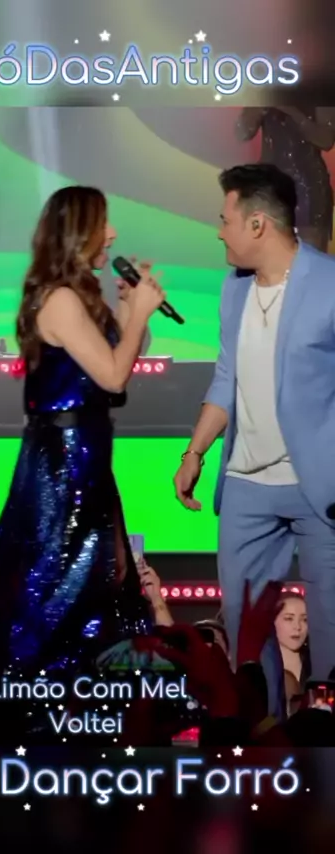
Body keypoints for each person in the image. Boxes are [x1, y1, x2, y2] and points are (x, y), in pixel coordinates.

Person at [0, 185, 165, 687]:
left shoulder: (77, 295)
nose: (113, 234)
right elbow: (113, 375)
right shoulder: (59, 299)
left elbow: (119, 356)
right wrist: (139, 315)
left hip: (87, 454)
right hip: (63, 460)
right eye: (104, 224)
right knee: (61, 576)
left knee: (103, 572)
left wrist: (130, 308)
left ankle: (90, 681)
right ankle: (41, 687)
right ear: (80, 232)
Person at [173, 163, 335, 719]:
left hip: (319, 487)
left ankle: (323, 741)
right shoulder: (234, 288)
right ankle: (263, 736)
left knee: (329, 631)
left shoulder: (328, 284)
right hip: (245, 483)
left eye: (226, 220)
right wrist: (194, 453)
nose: (219, 232)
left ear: (258, 224)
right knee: (247, 633)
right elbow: (227, 376)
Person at [236, 108, 335, 252]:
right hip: (271, 186)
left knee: (310, 254)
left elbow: (326, 140)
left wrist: (294, 113)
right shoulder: (267, 95)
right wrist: (258, 108)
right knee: (267, 252)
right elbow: (242, 133)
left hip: (308, 187)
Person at [274, 591, 310, 686]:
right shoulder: (260, 667)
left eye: (304, 620)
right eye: (289, 619)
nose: (297, 626)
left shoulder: (318, 665)